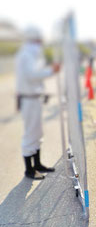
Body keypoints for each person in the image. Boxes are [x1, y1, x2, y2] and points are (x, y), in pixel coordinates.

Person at [16, 26, 60, 180]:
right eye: (39, 41)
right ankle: (29, 170)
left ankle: (37, 164)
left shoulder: (31, 55)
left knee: (37, 133)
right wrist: (51, 71)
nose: (40, 44)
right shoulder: (26, 55)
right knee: (30, 134)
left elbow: (35, 76)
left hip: (34, 98)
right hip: (29, 99)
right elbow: (32, 75)